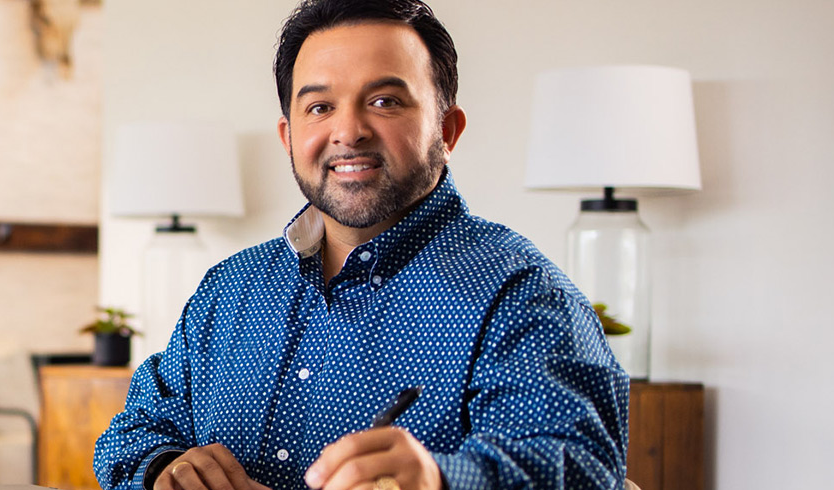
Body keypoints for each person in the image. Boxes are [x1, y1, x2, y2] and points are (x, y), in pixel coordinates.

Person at [92, 1, 629, 489]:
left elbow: (583, 468)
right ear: (289, 138)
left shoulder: (522, 295)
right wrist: (163, 466)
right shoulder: (229, 290)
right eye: (319, 107)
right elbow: (131, 432)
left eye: (384, 101)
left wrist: (439, 480)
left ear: (449, 130)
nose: (348, 131)